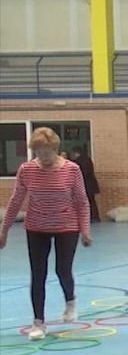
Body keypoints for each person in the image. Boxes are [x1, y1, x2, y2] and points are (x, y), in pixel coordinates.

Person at [0, 127, 92, 341]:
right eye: (39, 152)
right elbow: (15, 201)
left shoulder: (71, 170)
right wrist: (4, 230)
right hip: (36, 227)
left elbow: (81, 201)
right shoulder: (27, 170)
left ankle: (70, 301)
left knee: (62, 270)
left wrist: (85, 230)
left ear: (56, 149)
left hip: (66, 226)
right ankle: (38, 322)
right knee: (38, 274)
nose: (44, 157)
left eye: (47, 152)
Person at [69, 146, 101, 223]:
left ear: (76, 153)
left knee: (88, 202)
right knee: (92, 201)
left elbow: (82, 173)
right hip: (91, 185)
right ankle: (94, 217)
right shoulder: (87, 159)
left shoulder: (79, 161)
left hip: (87, 185)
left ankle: (91, 218)